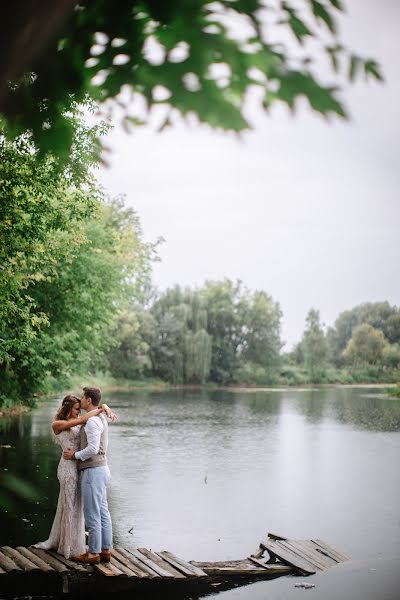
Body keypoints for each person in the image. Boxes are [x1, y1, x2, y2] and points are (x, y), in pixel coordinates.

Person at [34, 394, 115, 559]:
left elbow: (86, 425)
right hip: (68, 468)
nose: (78, 412)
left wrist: (102, 407)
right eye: (76, 409)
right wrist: (101, 408)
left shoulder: (84, 420)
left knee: (79, 507)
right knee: (70, 506)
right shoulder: (58, 424)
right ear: (67, 408)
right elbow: (81, 420)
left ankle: (77, 544)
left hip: (80, 465)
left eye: (80, 408)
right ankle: (69, 549)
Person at [63, 387, 114, 565]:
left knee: (92, 513)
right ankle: (106, 550)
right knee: (103, 511)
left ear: (89, 400)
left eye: (83, 398)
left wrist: (74, 456)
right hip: (102, 469)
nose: (81, 400)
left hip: (93, 471)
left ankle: (93, 553)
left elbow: (92, 449)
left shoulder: (92, 422)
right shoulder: (100, 417)